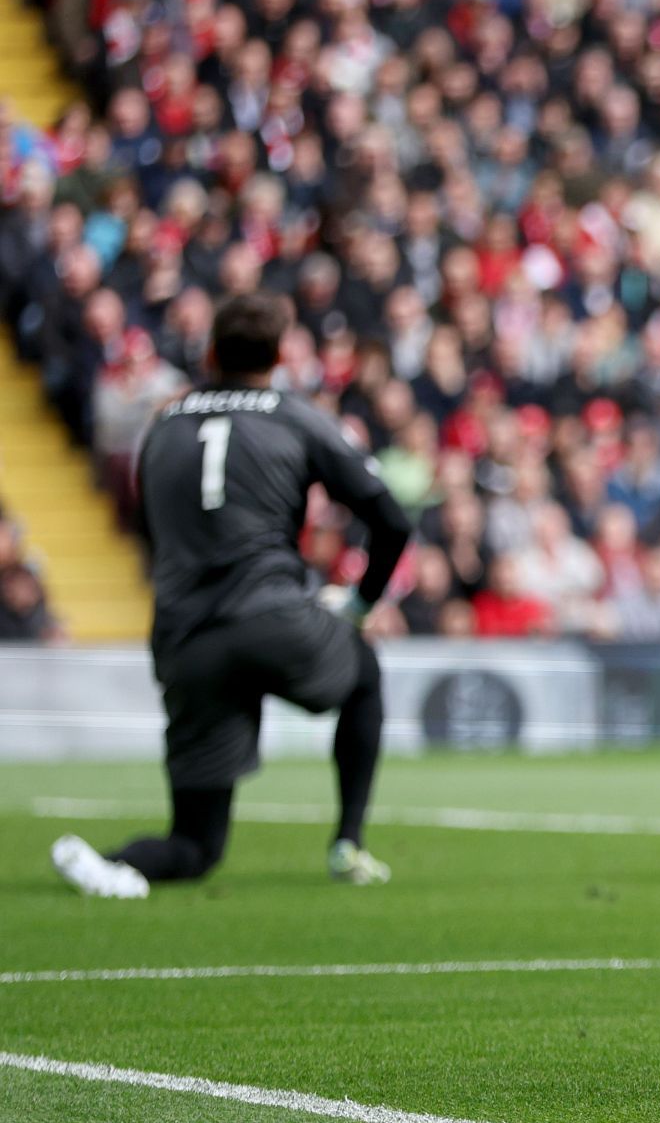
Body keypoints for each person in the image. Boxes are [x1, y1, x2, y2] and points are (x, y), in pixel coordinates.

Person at [51, 292, 412, 899]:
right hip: (274, 619)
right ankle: (347, 841)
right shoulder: (293, 414)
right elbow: (392, 520)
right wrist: (358, 603)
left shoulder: (163, 422)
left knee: (195, 845)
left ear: (210, 352)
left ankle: (114, 866)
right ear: (278, 356)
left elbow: (145, 527)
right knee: (365, 674)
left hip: (187, 638)